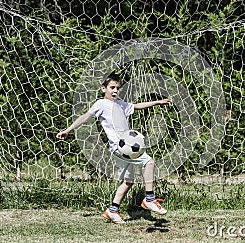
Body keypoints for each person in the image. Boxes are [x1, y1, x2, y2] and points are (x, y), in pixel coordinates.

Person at [56, 71, 171, 224]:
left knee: (128, 181)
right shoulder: (101, 104)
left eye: (118, 88)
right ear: (103, 88)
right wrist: (68, 130)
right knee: (148, 162)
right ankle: (149, 199)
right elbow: (85, 117)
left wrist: (157, 102)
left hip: (126, 147)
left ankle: (112, 210)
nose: (115, 90)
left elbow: (136, 106)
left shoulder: (120, 104)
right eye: (112, 87)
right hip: (120, 147)